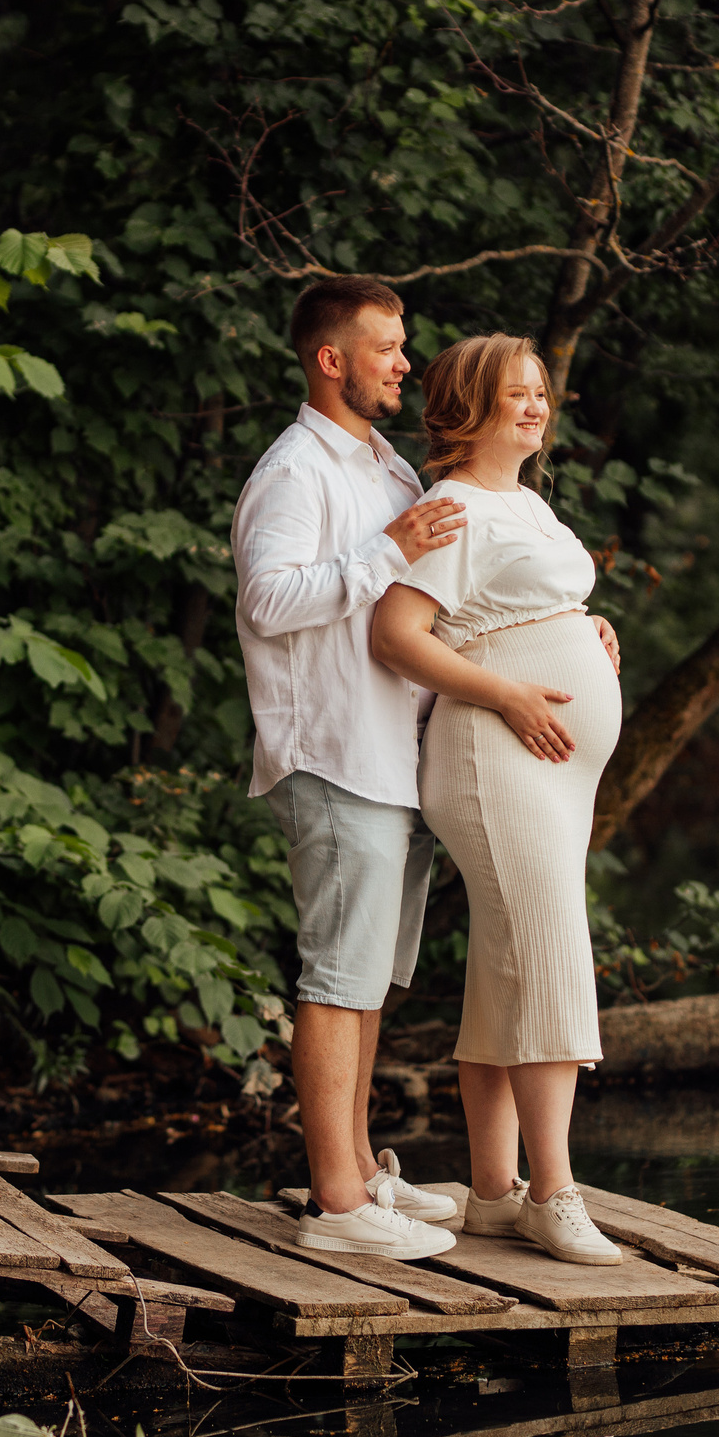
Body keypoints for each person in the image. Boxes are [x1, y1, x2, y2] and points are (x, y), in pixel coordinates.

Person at [368, 334, 627, 1265]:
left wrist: (579, 625)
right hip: (494, 752)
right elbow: (399, 633)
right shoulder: (453, 506)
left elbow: (519, 607)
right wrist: (510, 690)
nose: (535, 406)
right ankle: (554, 1193)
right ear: (467, 406)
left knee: (508, 967)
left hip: (555, 765)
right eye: (513, 393)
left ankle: (491, 1193)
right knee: (552, 952)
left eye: (541, 393)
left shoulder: (525, 504)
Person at [233, 276, 467, 1261]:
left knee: (368, 978)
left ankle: (364, 1171)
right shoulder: (296, 471)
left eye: (403, 345)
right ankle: (336, 1206)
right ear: (332, 360)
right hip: (331, 752)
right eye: (387, 347)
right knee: (337, 977)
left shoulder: (392, 471)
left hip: (393, 757)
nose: (405, 363)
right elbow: (267, 601)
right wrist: (381, 552)